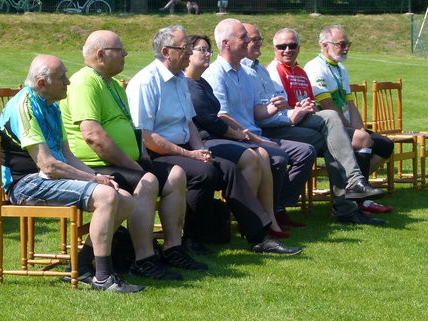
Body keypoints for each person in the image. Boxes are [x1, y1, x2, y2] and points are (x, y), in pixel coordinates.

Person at [126, 25, 302, 256]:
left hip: (184, 147)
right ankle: (190, 238)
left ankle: (259, 236)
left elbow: (189, 122)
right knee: (205, 173)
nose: (189, 54)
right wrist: (190, 154)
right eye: (185, 48)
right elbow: (146, 136)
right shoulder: (147, 81)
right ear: (166, 51)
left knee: (229, 170)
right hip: (158, 153)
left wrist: (200, 149)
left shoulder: (179, 79)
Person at [60, 30, 206, 283]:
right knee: (146, 181)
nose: (126, 54)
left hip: (122, 162)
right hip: (94, 166)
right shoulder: (85, 82)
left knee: (175, 174)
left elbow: (130, 129)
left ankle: (173, 248)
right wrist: (133, 165)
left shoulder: (113, 84)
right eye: (120, 50)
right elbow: (93, 135)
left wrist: (141, 157)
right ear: (101, 54)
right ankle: (144, 259)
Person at [0, 55, 144, 293]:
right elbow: (47, 165)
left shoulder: (52, 106)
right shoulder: (24, 106)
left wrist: (99, 178)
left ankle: (82, 265)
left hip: (49, 178)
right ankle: (103, 277)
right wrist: (94, 179)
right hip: (25, 184)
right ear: (42, 83)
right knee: (106, 196)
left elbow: (68, 156)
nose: (68, 82)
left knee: (125, 200)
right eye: (62, 77)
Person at [242, 25, 389, 225]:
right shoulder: (272, 70)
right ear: (275, 49)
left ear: (299, 48)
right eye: (282, 46)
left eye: (292, 45)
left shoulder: (291, 72)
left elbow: (293, 104)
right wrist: (295, 111)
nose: (287, 50)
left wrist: (304, 108)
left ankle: (349, 198)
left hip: (296, 121)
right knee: (334, 137)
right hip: (281, 126)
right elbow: (266, 110)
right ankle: (347, 200)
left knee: (332, 128)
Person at [204, 19, 316, 231]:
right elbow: (222, 116)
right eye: (244, 38)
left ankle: (276, 208)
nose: (249, 42)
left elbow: (256, 112)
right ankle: (264, 216)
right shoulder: (215, 74)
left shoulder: (246, 74)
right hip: (234, 138)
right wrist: (257, 139)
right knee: (279, 156)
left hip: (255, 135)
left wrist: (275, 107)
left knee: (305, 151)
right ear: (227, 43)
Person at [183, 33, 286, 238]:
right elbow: (211, 122)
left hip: (217, 137)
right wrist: (240, 135)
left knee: (263, 155)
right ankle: (245, 219)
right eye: (201, 50)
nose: (207, 54)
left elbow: (218, 116)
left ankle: (267, 219)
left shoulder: (202, 83)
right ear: (187, 53)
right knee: (251, 156)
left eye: (208, 50)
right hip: (203, 141)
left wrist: (245, 136)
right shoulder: (186, 83)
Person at [303, 25, 395, 194]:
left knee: (385, 145)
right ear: (324, 45)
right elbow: (328, 105)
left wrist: (359, 129)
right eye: (341, 44)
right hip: (328, 129)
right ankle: (357, 193)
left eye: (347, 44)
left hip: (345, 125)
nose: (346, 48)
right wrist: (355, 132)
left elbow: (350, 104)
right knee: (363, 141)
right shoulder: (315, 67)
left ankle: (354, 189)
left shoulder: (341, 69)